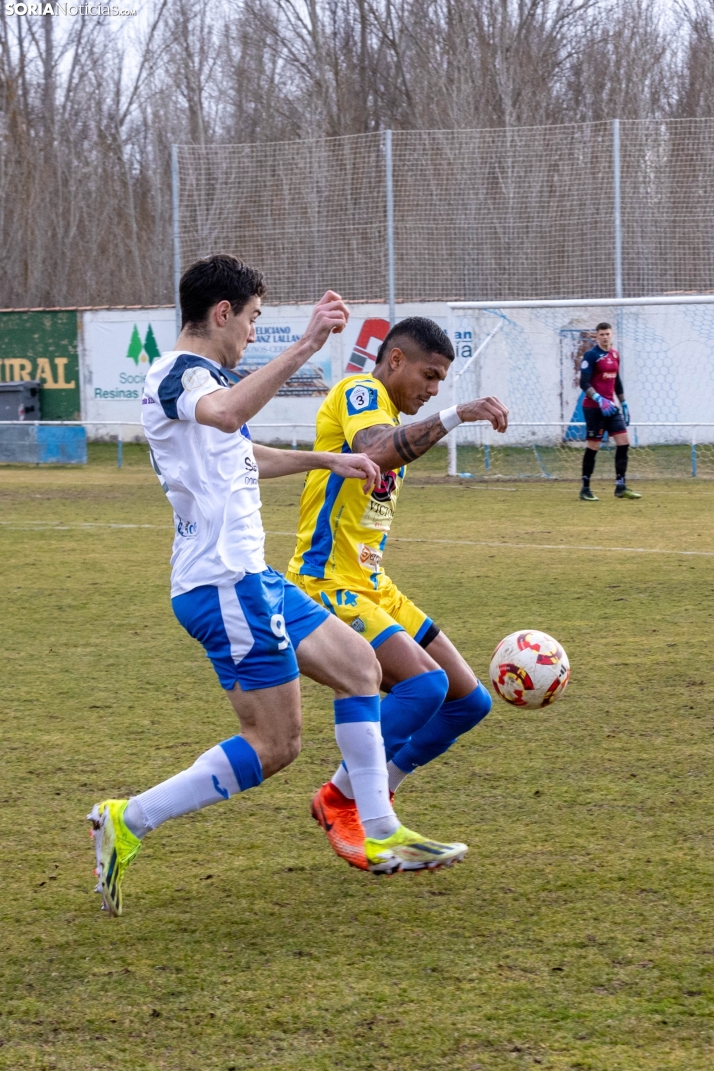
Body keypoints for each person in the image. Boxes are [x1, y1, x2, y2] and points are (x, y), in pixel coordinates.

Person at [88, 258, 467, 915]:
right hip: (222, 583)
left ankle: (379, 831)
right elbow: (232, 415)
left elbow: (242, 452)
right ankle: (129, 818)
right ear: (221, 313)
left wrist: (327, 459)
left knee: (357, 664)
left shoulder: (202, 380)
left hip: (251, 576)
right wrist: (307, 345)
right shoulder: (178, 373)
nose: (253, 334)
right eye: (254, 319)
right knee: (276, 744)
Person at [286, 316, 510, 870]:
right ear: (395, 361)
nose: (434, 389)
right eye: (429, 375)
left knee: (468, 701)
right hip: (325, 583)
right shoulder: (358, 392)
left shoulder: (389, 407)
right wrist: (457, 414)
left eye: (441, 383)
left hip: (373, 584)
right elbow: (378, 451)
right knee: (423, 687)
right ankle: (343, 801)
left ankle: (376, 792)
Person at [579, 322, 641, 501]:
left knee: (624, 442)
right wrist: (598, 398)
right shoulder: (591, 356)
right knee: (593, 447)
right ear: (597, 336)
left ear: (611, 335)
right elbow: (584, 382)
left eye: (608, 334)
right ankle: (585, 488)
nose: (605, 337)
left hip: (611, 408)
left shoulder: (615, 355)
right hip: (594, 408)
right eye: (602, 334)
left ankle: (621, 486)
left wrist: (624, 403)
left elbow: (617, 381)